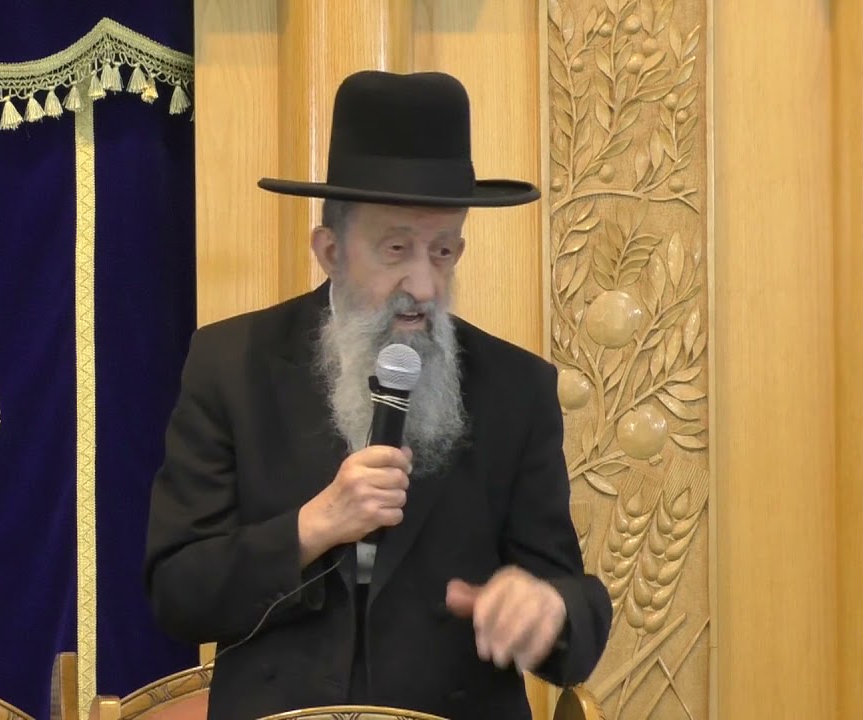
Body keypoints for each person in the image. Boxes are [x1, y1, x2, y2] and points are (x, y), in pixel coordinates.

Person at [143, 70, 611, 720]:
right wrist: (314, 526)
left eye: (443, 252)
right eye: (396, 249)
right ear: (329, 250)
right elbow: (177, 595)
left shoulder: (515, 387)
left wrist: (548, 609)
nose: (423, 284)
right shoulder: (231, 365)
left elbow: (571, 602)